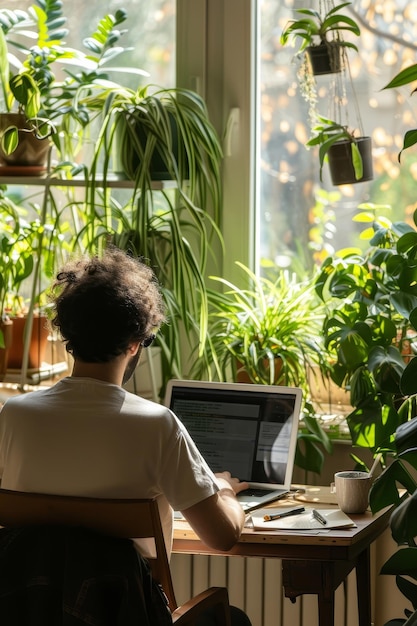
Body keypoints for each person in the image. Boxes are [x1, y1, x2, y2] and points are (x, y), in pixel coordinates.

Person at [0, 248, 252, 626]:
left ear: (69, 335)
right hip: (126, 615)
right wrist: (225, 492)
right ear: (135, 342)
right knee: (231, 617)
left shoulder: (14, 416)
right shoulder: (156, 425)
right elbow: (222, 536)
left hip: (27, 612)